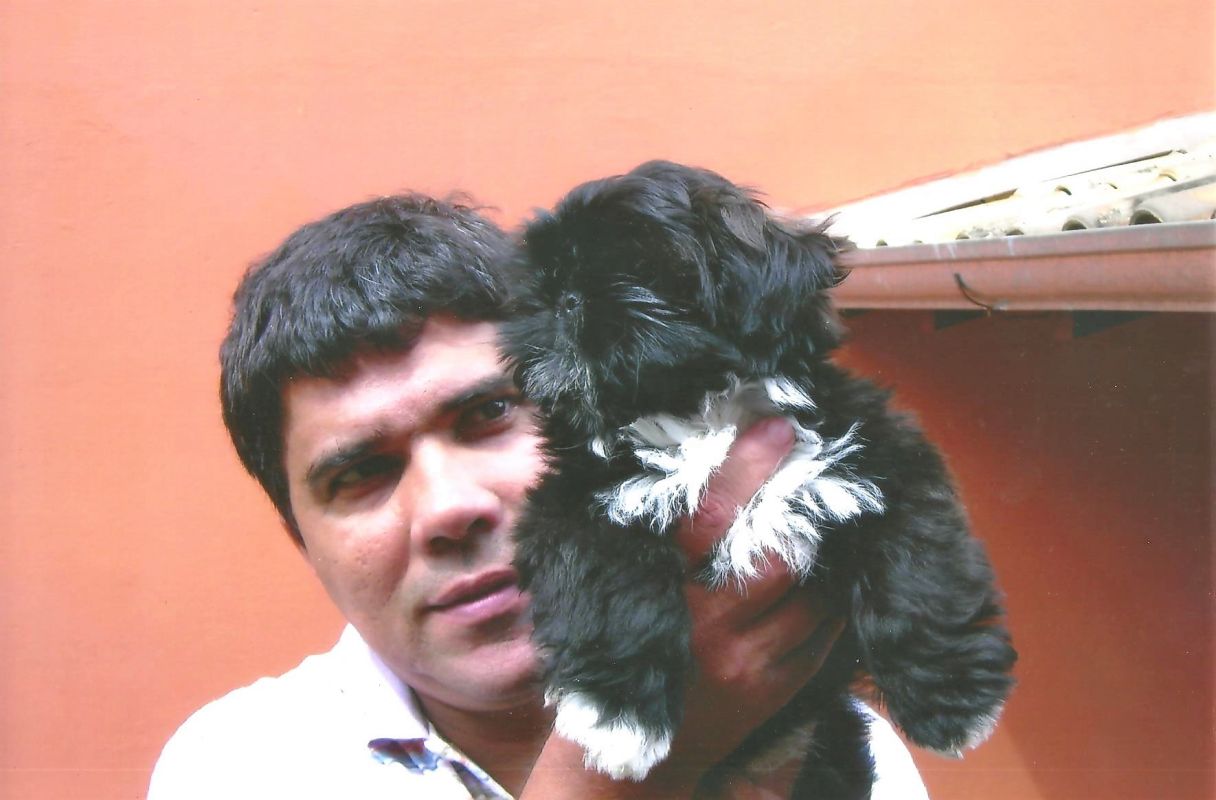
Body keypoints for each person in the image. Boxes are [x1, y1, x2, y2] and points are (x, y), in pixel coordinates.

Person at [149, 192, 927, 798]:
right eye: (360, 474)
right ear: (303, 539)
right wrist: (626, 760)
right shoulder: (241, 770)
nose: (449, 507)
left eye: (489, 415)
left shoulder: (830, 743)